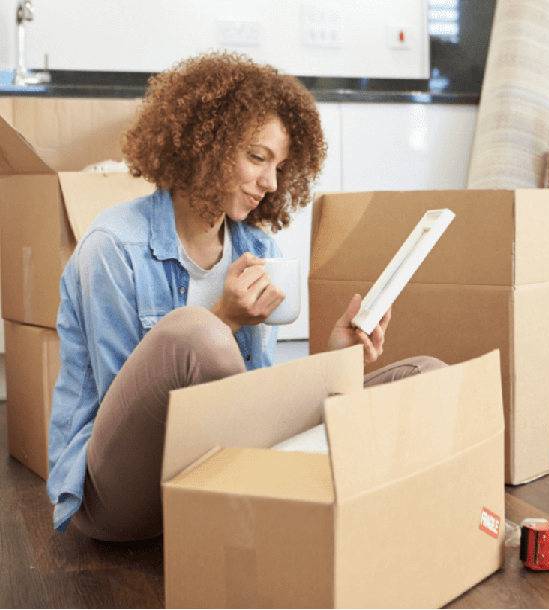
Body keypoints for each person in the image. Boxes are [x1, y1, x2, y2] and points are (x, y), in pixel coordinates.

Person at [46, 51, 445, 542]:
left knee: (424, 376)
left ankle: (364, 508)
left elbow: (256, 400)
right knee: (196, 334)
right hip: (122, 495)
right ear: (204, 144)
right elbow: (126, 411)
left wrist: (338, 360)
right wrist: (223, 321)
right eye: (257, 157)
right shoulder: (112, 247)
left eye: (279, 166)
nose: (271, 183)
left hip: (221, 475)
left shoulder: (259, 250)